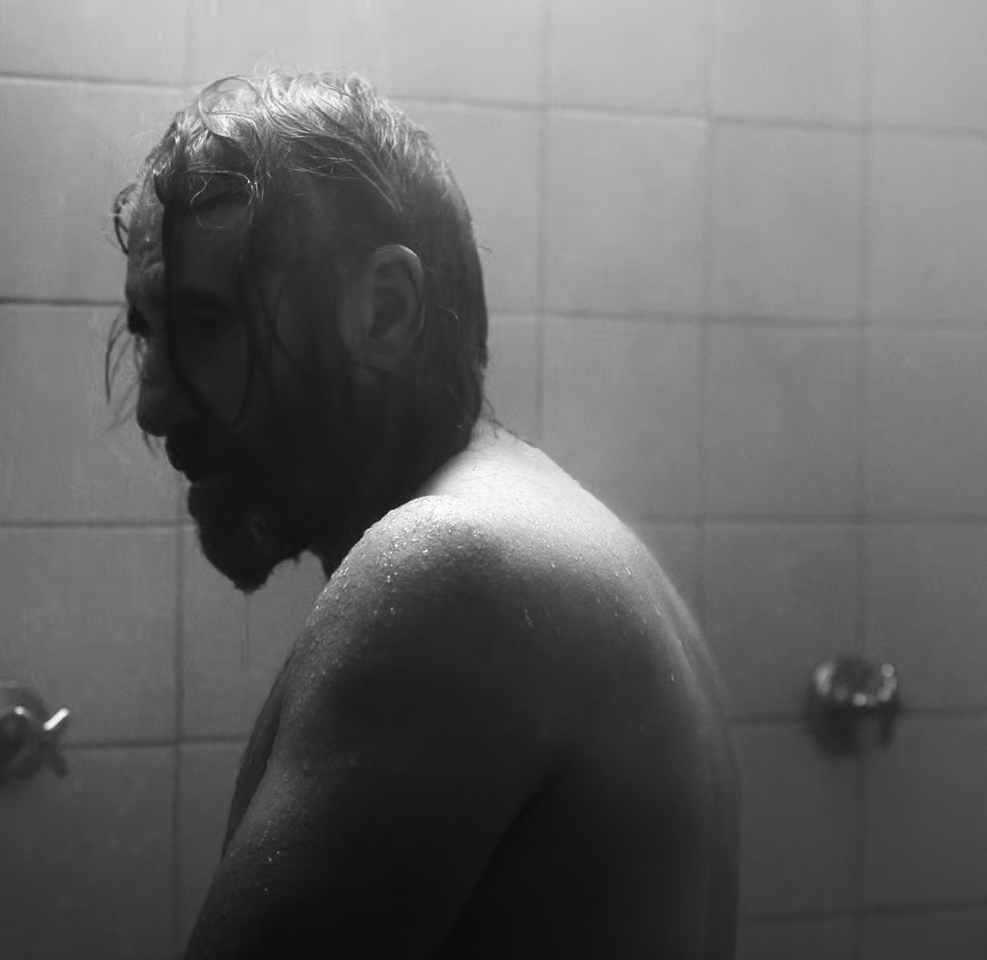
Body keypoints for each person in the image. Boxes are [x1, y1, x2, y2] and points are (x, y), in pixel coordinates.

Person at [111, 72, 739, 959]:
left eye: (206, 324)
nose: (153, 402)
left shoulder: (456, 574)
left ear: (386, 311)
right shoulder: (556, 539)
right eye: (147, 332)